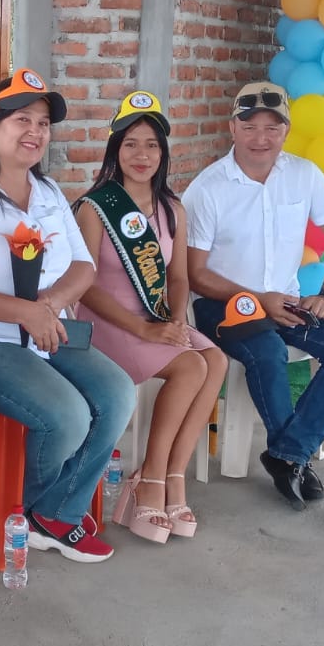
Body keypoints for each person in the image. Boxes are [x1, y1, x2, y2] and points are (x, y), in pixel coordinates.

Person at [0, 68, 136, 563]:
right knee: (68, 416)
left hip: (45, 330)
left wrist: (48, 305)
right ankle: (32, 510)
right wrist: (22, 311)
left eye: (43, 123)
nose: (35, 132)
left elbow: (83, 266)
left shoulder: (49, 192)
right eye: (22, 120)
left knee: (117, 393)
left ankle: (52, 512)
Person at [183, 82, 324, 511]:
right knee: (267, 350)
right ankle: (294, 457)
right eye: (250, 126)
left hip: (284, 302)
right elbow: (196, 274)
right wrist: (257, 298)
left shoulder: (304, 174)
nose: (261, 138)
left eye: (272, 127)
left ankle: (288, 453)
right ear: (233, 128)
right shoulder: (208, 188)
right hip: (222, 303)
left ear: (286, 130)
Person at [72, 91, 225, 543]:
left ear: (163, 152)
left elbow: (178, 278)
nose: (142, 155)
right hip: (108, 324)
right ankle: (151, 481)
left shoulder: (172, 209)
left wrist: (175, 323)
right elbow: (85, 285)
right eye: (131, 144)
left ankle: (173, 475)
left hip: (155, 320)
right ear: (115, 150)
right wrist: (143, 328)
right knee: (190, 366)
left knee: (215, 360)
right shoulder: (95, 208)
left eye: (152, 145)